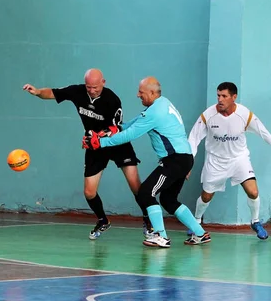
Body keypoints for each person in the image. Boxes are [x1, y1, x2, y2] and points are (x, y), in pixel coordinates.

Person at [23, 69, 153, 240]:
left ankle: (148, 220)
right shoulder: (77, 91)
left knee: (136, 186)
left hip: (117, 143)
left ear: (103, 82)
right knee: (89, 192)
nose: (92, 90)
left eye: (95, 87)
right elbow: (54, 93)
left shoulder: (112, 99)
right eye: (89, 87)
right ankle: (103, 220)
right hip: (94, 147)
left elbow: (115, 129)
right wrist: (38, 92)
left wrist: (97, 138)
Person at [83, 76, 211, 248]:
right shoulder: (162, 104)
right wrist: (113, 129)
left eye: (141, 92)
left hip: (175, 160)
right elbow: (135, 123)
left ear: (152, 92)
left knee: (145, 193)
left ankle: (160, 236)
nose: (137, 95)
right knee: (168, 200)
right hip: (183, 158)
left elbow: (132, 135)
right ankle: (200, 234)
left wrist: (100, 143)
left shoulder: (155, 112)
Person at [187, 82, 271, 240]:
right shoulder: (208, 115)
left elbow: (264, 133)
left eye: (224, 96)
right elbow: (193, 139)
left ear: (234, 97)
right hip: (216, 161)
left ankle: (255, 221)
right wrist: (188, 162)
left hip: (239, 160)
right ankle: (196, 221)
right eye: (218, 96)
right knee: (206, 197)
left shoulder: (245, 115)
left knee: (253, 192)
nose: (220, 99)